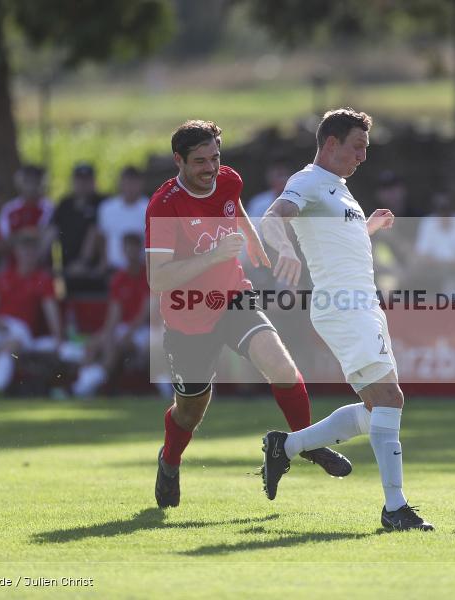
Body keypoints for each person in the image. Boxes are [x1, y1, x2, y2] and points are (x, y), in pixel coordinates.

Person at [146, 120, 351, 509]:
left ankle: (306, 442)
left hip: (234, 298)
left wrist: (254, 242)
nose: (211, 168)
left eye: (216, 158)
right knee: (189, 412)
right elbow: (158, 278)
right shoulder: (164, 206)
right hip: (188, 317)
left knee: (282, 367)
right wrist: (214, 256)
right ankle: (169, 460)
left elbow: (233, 205)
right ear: (179, 160)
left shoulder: (228, 179)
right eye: (201, 161)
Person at [259, 108, 434, 531]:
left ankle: (288, 445)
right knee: (391, 400)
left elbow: (333, 241)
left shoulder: (337, 188)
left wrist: (367, 229)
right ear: (331, 143)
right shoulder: (308, 181)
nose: (363, 157)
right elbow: (272, 218)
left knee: (378, 407)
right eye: (358, 147)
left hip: (362, 305)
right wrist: (283, 249)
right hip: (344, 306)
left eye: (366, 149)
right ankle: (395, 509)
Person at [0, 229, 62, 394]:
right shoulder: (3, 277)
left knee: (10, 346)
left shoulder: (43, 279)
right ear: (16, 251)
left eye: (32, 249)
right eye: (24, 248)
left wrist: (58, 337)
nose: (27, 253)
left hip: (21, 332)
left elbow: (51, 310)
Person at [72, 233, 151, 397]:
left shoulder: (150, 276)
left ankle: (83, 388)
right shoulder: (118, 279)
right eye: (128, 248)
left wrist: (126, 335)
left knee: (115, 347)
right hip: (124, 328)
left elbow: (145, 314)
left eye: (134, 248)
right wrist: (107, 334)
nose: (131, 253)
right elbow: (114, 313)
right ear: (123, 251)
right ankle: (85, 383)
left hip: (145, 330)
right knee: (92, 344)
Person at [410, 190, 455, 297]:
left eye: (447, 208)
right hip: (434, 281)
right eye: (439, 209)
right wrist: (445, 266)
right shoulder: (427, 223)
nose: (443, 213)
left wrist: (438, 264)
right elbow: (421, 256)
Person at [51, 162, 107, 288]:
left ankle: (82, 264)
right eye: (79, 180)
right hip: (66, 263)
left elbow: (100, 232)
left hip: (93, 265)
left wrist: (83, 262)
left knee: (94, 229)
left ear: (93, 181)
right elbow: (52, 229)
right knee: (50, 232)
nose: (83, 184)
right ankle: (39, 266)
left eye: (86, 180)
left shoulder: (103, 203)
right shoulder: (65, 204)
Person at [98, 166, 149, 271]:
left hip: (142, 271)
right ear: (120, 183)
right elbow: (103, 238)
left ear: (141, 184)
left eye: (133, 183)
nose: (130, 187)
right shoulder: (107, 208)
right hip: (113, 269)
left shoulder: (151, 208)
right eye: (126, 183)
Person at [0, 165, 54, 241]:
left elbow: (44, 235)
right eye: (27, 181)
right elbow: (5, 238)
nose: (31, 186)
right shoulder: (9, 208)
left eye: (35, 181)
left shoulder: (49, 207)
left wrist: (18, 235)